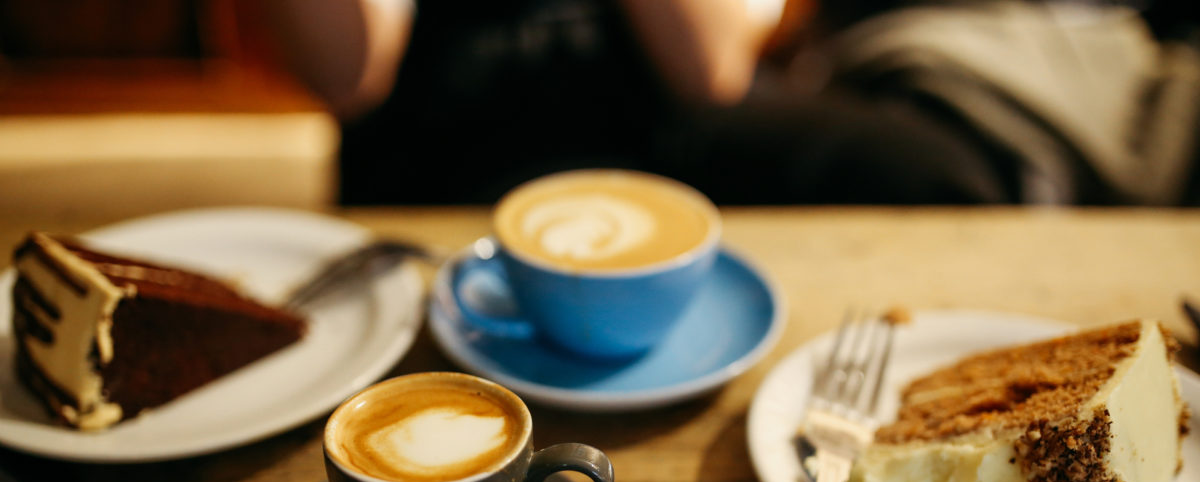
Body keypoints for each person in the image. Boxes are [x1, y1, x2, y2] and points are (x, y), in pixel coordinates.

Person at [265, 0, 1200, 206]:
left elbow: (704, 62)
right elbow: (350, 71)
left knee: (934, 171)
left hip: (645, 119)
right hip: (436, 136)